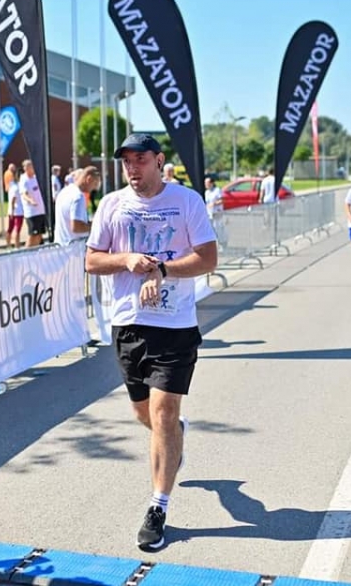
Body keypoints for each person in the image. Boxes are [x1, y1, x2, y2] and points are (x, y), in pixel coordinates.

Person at [85, 133, 218, 551]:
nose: (132, 168)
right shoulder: (111, 205)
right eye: (126, 161)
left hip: (175, 325)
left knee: (163, 412)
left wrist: (162, 269)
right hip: (128, 324)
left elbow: (208, 257)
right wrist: (126, 259)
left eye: (140, 160)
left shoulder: (187, 201)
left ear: (159, 161)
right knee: (145, 414)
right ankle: (174, 435)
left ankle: (157, 507)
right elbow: (91, 260)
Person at [54, 166, 99, 246]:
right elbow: (76, 227)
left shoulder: (64, 192)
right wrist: (96, 226)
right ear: (88, 179)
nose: (94, 188)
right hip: (74, 249)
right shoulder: (78, 196)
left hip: (61, 245)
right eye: (95, 184)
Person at [20, 159, 47, 247]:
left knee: (39, 235)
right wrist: (31, 200)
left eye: (32, 166)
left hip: (40, 211)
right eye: (29, 167)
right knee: (33, 235)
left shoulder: (35, 178)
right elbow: (24, 194)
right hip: (32, 212)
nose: (32, 168)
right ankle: (26, 252)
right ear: (25, 168)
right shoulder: (24, 179)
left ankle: (35, 253)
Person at [204, 176, 226, 251]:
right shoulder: (207, 192)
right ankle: (215, 245)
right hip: (209, 213)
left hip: (217, 212)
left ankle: (222, 244)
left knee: (218, 229)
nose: (206, 185)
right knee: (211, 230)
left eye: (207, 183)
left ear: (212, 183)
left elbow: (222, 200)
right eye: (205, 183)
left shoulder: (217, 190)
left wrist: (214, 203)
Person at [4, 163, 24, 249]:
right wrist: (12, 211)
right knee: (17, 230)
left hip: (12, 211)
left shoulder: (11, 184)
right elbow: (13, 199)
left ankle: (8, 245)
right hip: (17, 211)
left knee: (10, 228)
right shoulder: (17, 187)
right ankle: (17, 246)